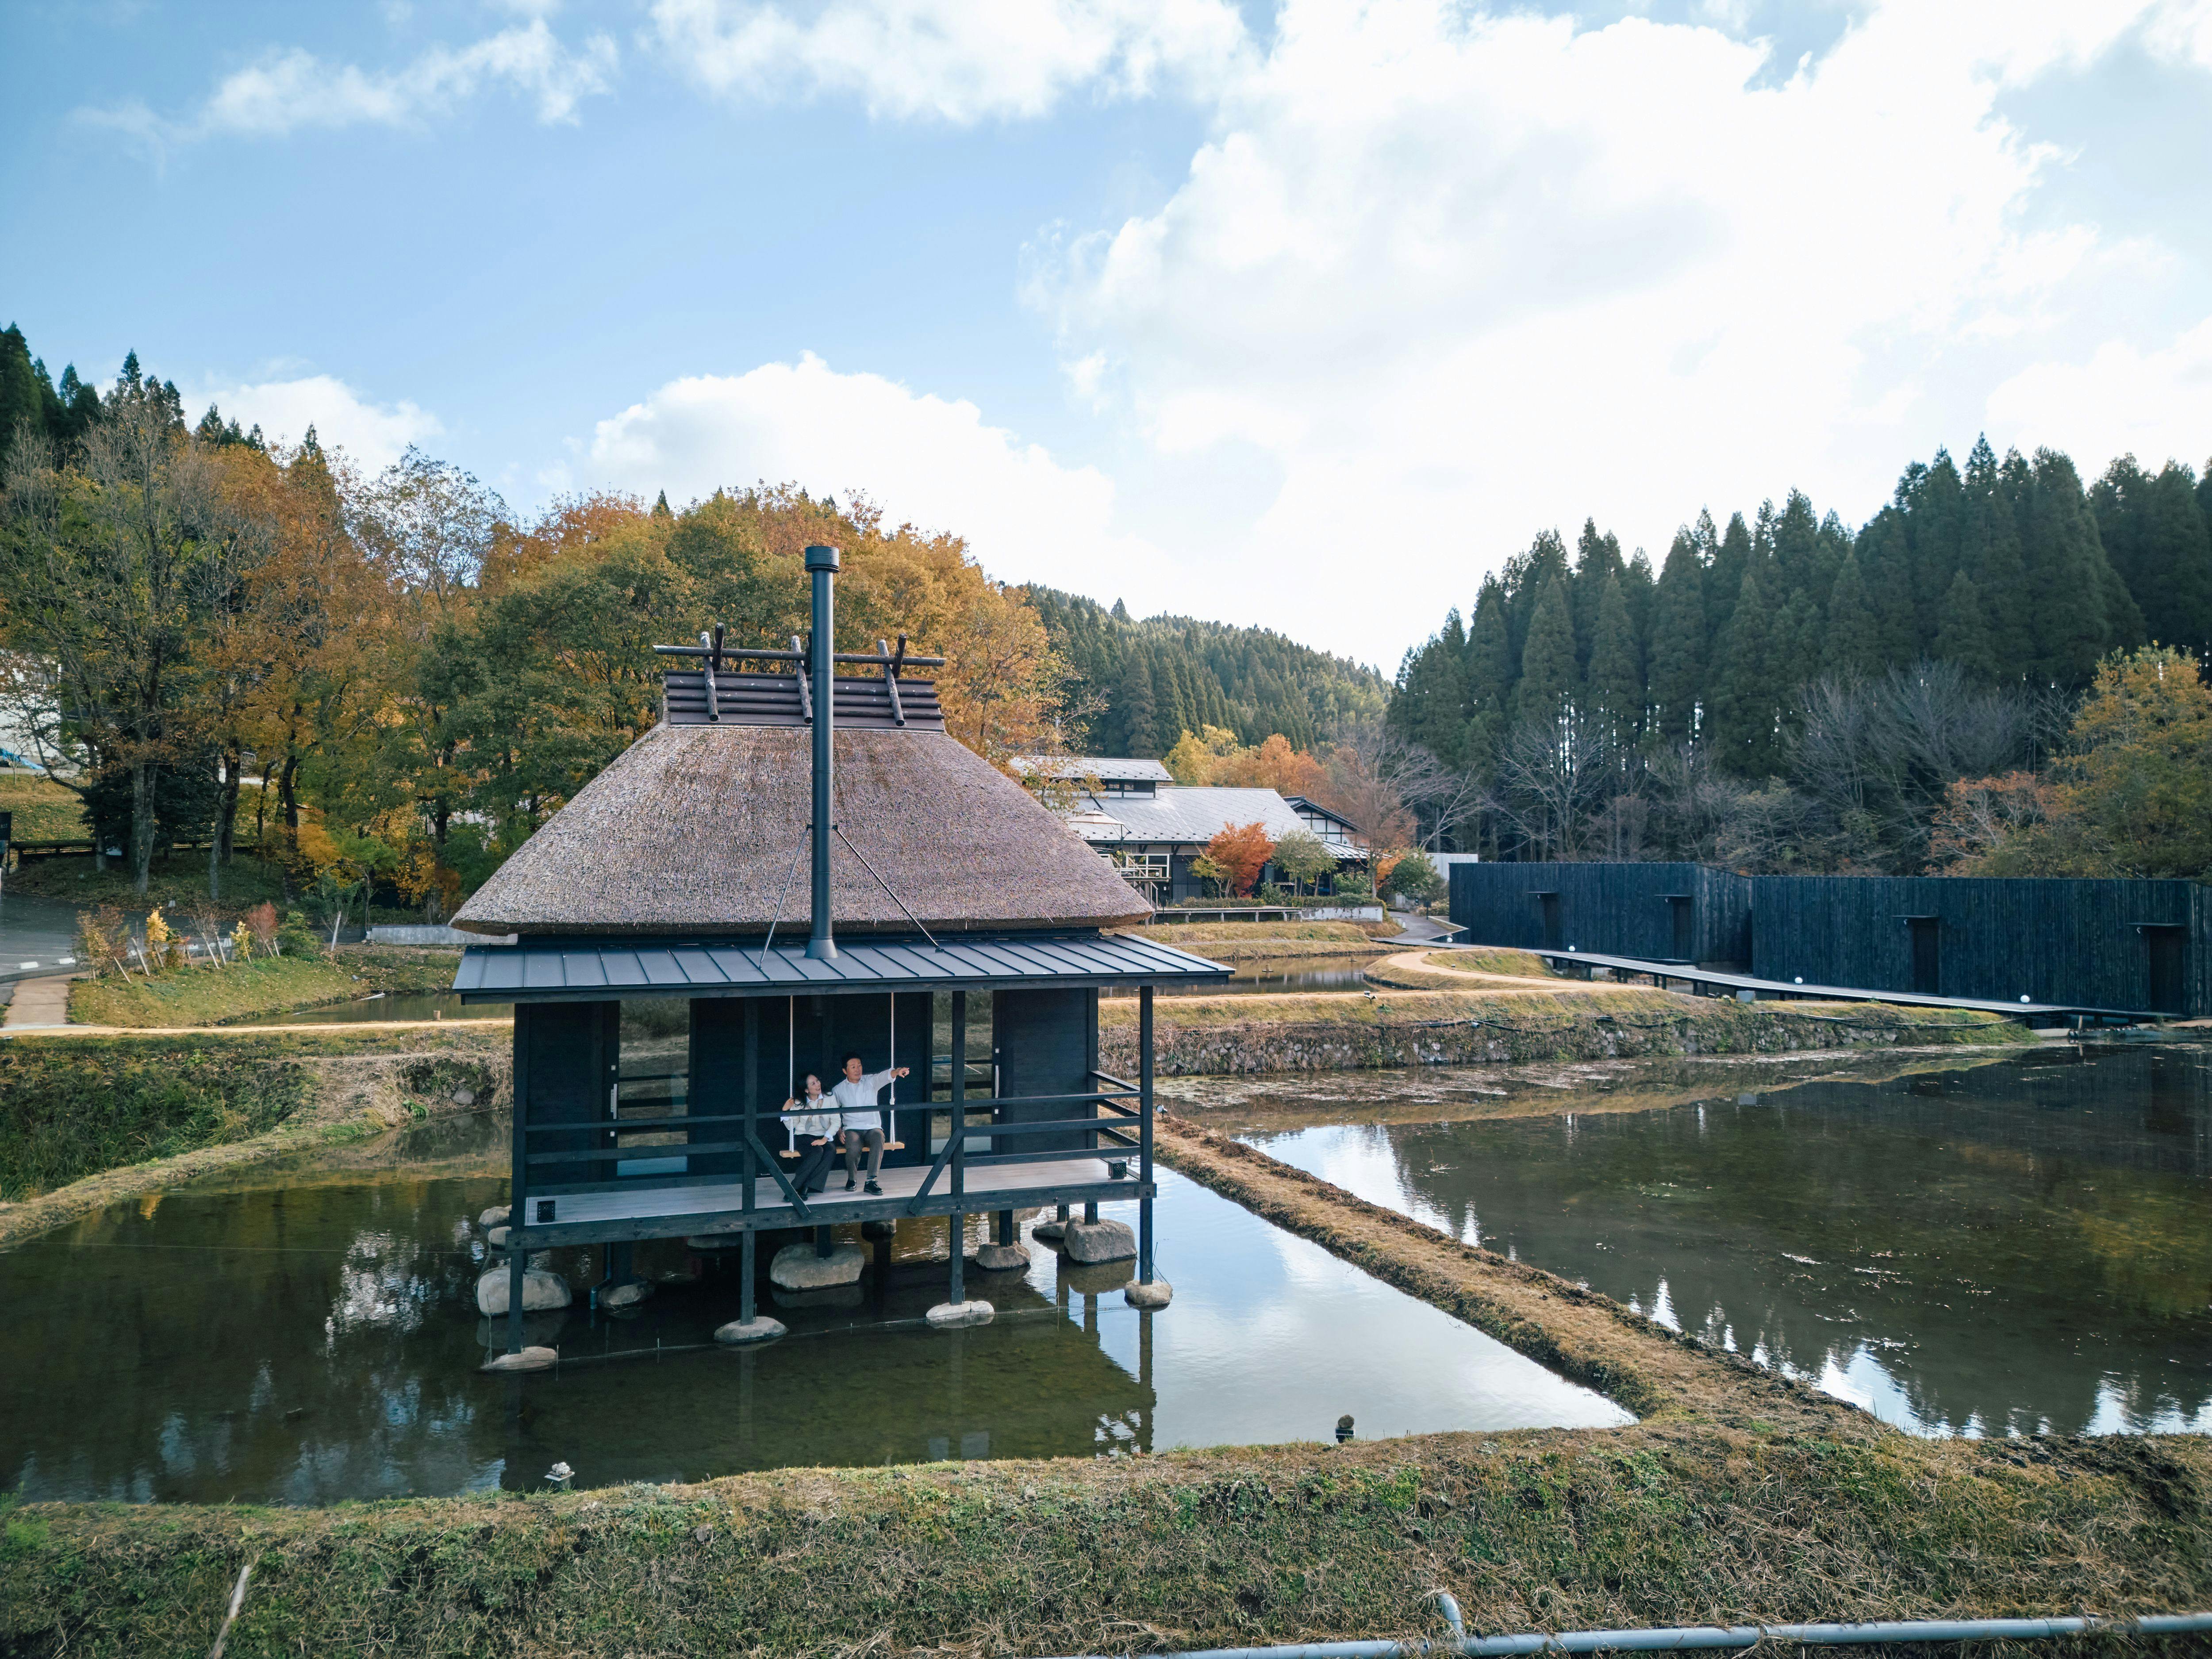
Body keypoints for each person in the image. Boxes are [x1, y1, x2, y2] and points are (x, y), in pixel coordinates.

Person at [831, 1051, 909, 1195]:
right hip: (852, 1129)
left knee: (878, 1136)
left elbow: (886, 1076)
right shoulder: (838, 1090)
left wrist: (898, 1071)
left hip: (872, 1128)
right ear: (845, 1071)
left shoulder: (870, 1081)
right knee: (853, 1147)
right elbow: (833, 1112)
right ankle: (852, 1179)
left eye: (859, 1066)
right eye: (853, 1067)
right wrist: (839, 1130)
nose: (858, 1069)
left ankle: (871, 1181)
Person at [783, 1073, 840, 1195]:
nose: (818, 1084)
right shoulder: (799, 1103)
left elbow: (836, 1121)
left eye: (818, 1081)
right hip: (803, 1136)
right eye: (813, 1083)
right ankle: (794, 1187)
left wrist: (825, 1139)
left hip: (823, 1136)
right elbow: (791, 1126)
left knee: (830, 1150)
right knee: (817, 1151)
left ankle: (807, 1186)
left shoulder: (829, 1098)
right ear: (806, 1090)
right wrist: (785, 1111)